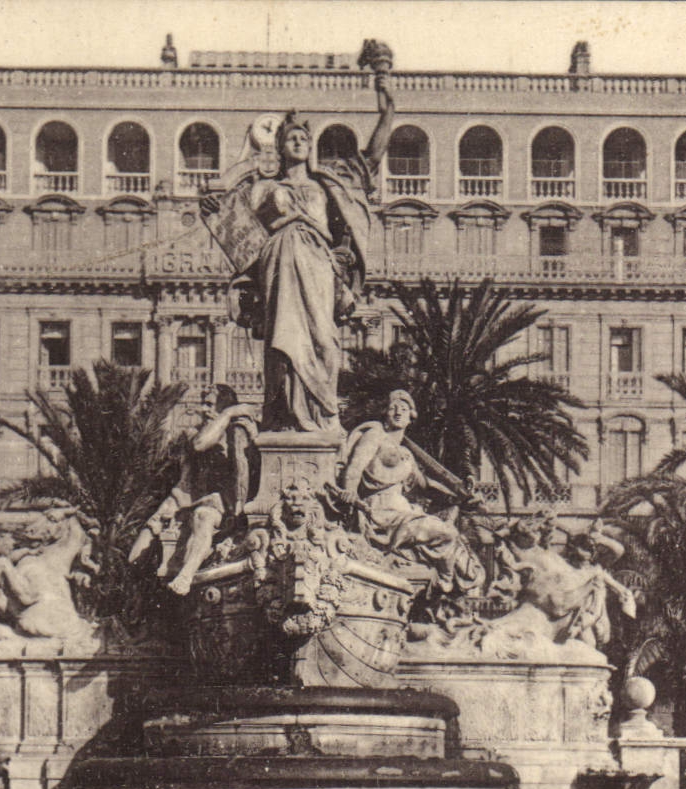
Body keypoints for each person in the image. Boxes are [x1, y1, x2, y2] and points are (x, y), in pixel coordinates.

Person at [201, 75, 395, 433]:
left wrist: (388, 108)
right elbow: (233, 224)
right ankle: (285, 419)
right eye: (292, 137)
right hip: (278, 264)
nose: (299, 141)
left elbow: (371, 157)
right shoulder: (264, 190)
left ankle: (323, 416)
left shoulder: (328, 183)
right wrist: (212, 203)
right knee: (282, 346)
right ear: (279, 145)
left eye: (304, 137)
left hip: (318, 265)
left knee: (323, 340)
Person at [332, 390, 482, 593]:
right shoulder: (375, 435)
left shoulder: (407, 454)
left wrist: (461, 495)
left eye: (403, 409)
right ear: (385, 412)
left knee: (453, 538)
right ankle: (444, 582)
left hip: (403, 511)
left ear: (411, 416)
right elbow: (354, 467)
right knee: (446, 532)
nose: (398, 412)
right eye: (393, 407)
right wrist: (349, 491)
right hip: (379, 512)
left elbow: (426, 487)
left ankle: (447, 583)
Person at [130, 385, 260, 595]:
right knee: (151, 525)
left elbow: (206, 447)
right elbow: (198, 445)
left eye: (209, 404)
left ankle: (185, 576)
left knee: (202, 517)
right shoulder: (203, 429)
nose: (203, 409)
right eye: (203, 403)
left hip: (218, 501)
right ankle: (127, 577)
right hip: (188, 495)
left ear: (225, 406)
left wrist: (228, 414)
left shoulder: (236, 430)